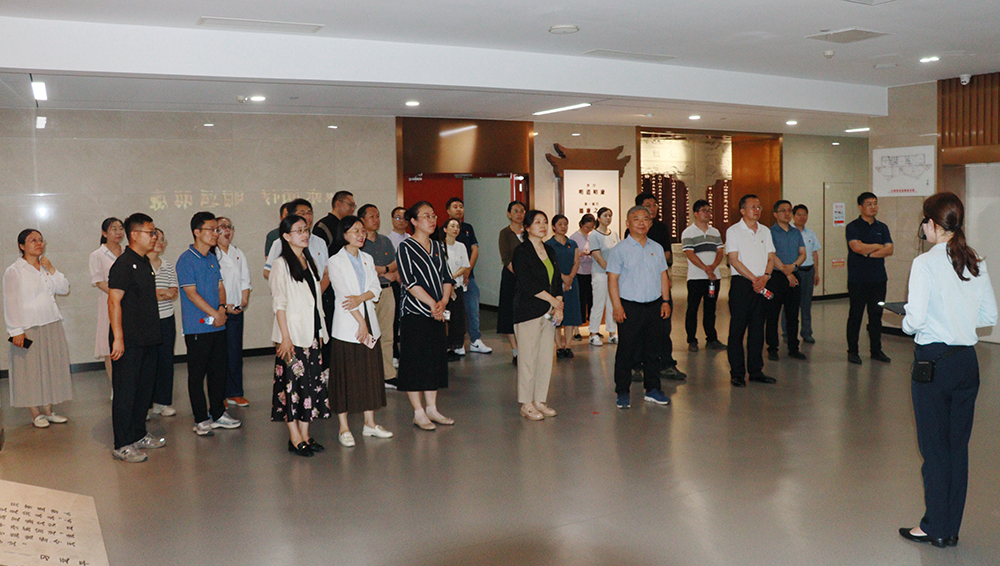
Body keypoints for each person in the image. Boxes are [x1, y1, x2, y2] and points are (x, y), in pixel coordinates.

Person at [898, 192, 997, 548]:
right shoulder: (975, 260)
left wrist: (905, 319)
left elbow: (914, 321)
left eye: (924, 221)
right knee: (957, 448)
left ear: (932, 224)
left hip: (934, 363)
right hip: (966, 363)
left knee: (935, 450)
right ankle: (949, 527)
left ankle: (935, 527)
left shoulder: (925, 263)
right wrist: (958, 317)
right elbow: (989, 315)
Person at [269, 214, 331, 457]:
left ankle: (305, 434)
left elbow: (315, 301)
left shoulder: (307, 259)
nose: (304, 234)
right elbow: (279, 304)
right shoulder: (280, 264)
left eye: (306, 230)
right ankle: (294, 437)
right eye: (298, 230)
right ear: (286, 236)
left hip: (311, 333)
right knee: (292, 387)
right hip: (292, 336)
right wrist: (285, 338)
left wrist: (321, 330)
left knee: (310, 386)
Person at [328, 216, 392, 447]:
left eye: (362, 230)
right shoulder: (335, 261)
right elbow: (344, 296)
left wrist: (362, 298)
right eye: (355, 231)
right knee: (345, 375)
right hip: (348, 326)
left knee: (369, 373)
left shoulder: (367, 258)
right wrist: (361, 322)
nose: (360, 235)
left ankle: (370, 423)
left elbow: (375, 288)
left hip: (369, 320)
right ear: (344, 234)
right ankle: (344, 427)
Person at [177, 211, 241, 436]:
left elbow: (221, 287)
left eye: (218, 230)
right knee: (197, 374)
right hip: (198, 326)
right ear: (197, 232)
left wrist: (222, 309)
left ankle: (218, 413)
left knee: (218, 372)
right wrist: (214, 313)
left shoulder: (212, 258)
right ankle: (200, 419)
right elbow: (191, 293)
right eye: (212, 230)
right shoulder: (186, 260)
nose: (216, 233)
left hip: (218, 324)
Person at [107, 213, 165, 462]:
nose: (154, 237)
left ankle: (138, 434)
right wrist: (118, 338)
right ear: (134, 235)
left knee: (143, 391)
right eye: (150, 233)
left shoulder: (144, 262)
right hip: (129, 340)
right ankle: (122, 443)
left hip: (148, 338)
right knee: (126, 392)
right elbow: (113, 301)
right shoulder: (123, 264)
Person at [4, 229, 72, 429]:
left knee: (51, 367)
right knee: (30, 371)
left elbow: (64, 288)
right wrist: (16, 330)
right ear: (21, 246)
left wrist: (51, 268)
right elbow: (10, 302)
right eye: (32, 240)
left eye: (41, 240)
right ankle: (36, 413)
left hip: (51, 322)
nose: (38, 243)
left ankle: (49, 411)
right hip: (28, 326)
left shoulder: (45, 267)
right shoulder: (14, 271)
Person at [396, 201, 456, 431]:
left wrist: (443, 301)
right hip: (415, 312)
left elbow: (447, 277)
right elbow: (409, 281)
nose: (432, 220)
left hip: (437, 314)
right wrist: (432, 303)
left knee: (434, 360)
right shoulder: (405, 247)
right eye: (426, 216)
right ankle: (418, 412)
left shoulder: (438, 246)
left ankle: (432, 408)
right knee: (415, 362)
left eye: (433, 216)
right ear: (413, 221)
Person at [607, 206, 673, 408]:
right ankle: (622, 391)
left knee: (653, 350)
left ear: (650, 223)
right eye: (636, 219)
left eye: (645, 219)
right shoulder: (619, 250)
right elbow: (612, 280)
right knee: (626, 351)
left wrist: (665, 301)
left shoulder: (657, 248)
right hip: (629, 307)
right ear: (628, 223)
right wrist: (617, 307)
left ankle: (653, 389)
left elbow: (663, 275)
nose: (641, 223)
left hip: (654, 305)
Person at [513, 210, 563, 420]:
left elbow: (557, 279)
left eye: (545, 222)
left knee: (545, 358)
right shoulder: (521, 251)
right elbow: (527, 282)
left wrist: (558, 304)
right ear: (527, 227)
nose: (542, 226)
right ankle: (526, 403)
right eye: (537, 222)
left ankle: (540, 400)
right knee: (528, 359)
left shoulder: (549, 249)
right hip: (528, 310)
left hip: (549, 311)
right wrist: (553, 301)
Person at [726, 194, 777, 387]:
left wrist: (765, 276)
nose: (757, 210)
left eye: (759, 207)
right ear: (742, 210)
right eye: (753, 207)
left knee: (757, 330)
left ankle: (756, 371)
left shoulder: (765, 231)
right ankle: (737, 373)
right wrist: (754, 279)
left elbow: (771, 257)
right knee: (737, 330)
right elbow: (734, 260)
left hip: (762, 283)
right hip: (742, 284)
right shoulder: (734, 231)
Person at [846, 191, 893, 365]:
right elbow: (856, 248)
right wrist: (877, 246)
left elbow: (890, 249)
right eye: (869, 204)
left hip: (878, 279)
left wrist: (869, 252)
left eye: (875, 203)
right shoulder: (853, 227)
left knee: (876, 315)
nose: (873, 207)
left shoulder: (882, 227)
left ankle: (876, 350)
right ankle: (853, 351)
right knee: (856, 315)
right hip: (858, 279)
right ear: (860, 207)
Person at [443, 197, 492, 355]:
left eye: (461, 206)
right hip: (449, 282)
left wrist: (467, 270)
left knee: (472, 309)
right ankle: (454, 344)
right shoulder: (442, 231)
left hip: (467, 277)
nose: (459, 209)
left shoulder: (468, 228)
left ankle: (475, 340)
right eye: (455, 206)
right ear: (448, 211)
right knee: (452, 313)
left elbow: (474, 250)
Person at [358, 204, 400, 380]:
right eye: (371, 217)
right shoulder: (359, 243)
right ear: (362, 220)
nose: (376, 220)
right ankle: (367, 374)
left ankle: (388, 374)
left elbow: (396, 263)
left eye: (377, 216)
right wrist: (383, 271)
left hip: (387, 291)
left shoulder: (385, 241)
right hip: (367, 294)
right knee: (367, 335)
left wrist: (383, 270)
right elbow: (363, 268)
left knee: (387, 334)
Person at [215, 217, 252, 408]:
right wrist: (224, 305)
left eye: (229, 227)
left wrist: (243, 300)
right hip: (219, 311)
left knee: (235, 353)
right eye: (222, 227)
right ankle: (219, 394)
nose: (227, 231)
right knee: (219, 354)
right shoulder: (212, 254)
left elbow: (245, 280)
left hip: (236, 311)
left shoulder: (238, 253)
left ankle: (235, 393)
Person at [765, 200, 806, 361]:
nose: (787, 213)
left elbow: (803, 254)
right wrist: (786, 272)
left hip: (794, 275)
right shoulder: (769, 232)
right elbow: (771, 255)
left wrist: (794, 266)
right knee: (772, 314)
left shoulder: (796, 232)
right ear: (775, 214)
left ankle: (793, 348)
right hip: (776, 277)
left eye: (789, 210)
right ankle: (772, 348)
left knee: (793, 314)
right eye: (783, 211)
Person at [681, 200, 725, 352]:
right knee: (692, 309)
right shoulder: (688, 232)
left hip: (713, 278)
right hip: (696, 278)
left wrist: (712, 268)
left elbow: (720, 252)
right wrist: (705, 268)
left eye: (709, 211)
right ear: (696, 213)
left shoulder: (715, 232)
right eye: (704, 210)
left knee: (710, 309)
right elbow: (690, 253)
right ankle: (692, 340)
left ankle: (711, 339)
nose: (707, 213)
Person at [148, 228, 178, 418]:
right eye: (156, 238)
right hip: (148, 320)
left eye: (163, 239)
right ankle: (146, 405)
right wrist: (160, 294)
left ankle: (163, 402)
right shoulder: (141, 265)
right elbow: (145, 294)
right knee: (148, 363)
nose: (160, 242)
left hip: (167, 317)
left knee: (166, 361)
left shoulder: (167, 265)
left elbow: (173, 291)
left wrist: (161, 294)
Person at [90, 217, 124, 384]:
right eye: (113, 229)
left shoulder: (128, 252)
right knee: (110, 347)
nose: (118, 232)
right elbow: (99, 281)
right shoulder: (97, 255)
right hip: (109, 303)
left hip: (130, 303)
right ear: (104, 233)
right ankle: (115, 387)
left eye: (120, 228)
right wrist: (119, 293)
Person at [545, 214, 581, 359]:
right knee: (557, 313)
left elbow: (576, 262)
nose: (563, 227)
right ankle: (559, 346)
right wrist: (563, 277)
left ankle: (568, 346)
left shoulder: (572, 243)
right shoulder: (548, 244)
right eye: (560, 224)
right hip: (555, 282)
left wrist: (570, 278)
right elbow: (550, 264)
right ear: (553, 227)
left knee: (571, 314)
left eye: (565, 224)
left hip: (572, 282)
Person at [498, 201, 526, 363]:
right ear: (509, 214)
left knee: (525, 313)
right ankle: (516, 351)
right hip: (511, 277)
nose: (519, 214)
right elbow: (506, 258)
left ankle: (525, 349)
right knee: (509, 313)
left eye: (522, 211)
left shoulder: (529, 231)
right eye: (515, 211)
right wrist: (520, 274)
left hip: (528, 279)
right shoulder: (505, 233)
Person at [588, 207, 620, 346]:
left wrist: (615, 271)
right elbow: (597, 256)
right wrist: (610, 270)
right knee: (599, 303)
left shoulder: (614, 234)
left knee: (612, 303)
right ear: (599, 218)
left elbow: (619, 253)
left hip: (613, 275)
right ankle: (593, 333)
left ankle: (612, 332)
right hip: (600, 274)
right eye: (605, 215)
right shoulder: (594, 235)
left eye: (610, 215)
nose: (608, 218)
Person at [789, 204, 821, 344]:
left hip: (809, 271)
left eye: (805, 214)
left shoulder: (811, 233)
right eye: (799, 214)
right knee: (791, 304)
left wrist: (816, 272)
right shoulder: (790, 232)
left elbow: (815, 253)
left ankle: (807, 333)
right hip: (795, 272)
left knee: (806, 304)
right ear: (793, 216)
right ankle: (788, 332)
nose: (802, 217)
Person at [441, 217, 471, 359]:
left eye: (457, 226)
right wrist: (448, 281)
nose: (455, 229)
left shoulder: (461, 246)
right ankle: (444, 346)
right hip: (443, 288)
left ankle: (457, 345)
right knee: (444, 317)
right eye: (452, 226)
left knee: (457, 317)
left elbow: (465, 265)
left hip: (457, 285)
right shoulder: (439, 246)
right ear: (445, 229)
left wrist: (453, 277)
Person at [388, 206, 410, 376]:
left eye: (404, 217)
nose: (401, 221)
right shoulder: (387, 240)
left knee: (409, 319)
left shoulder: (412, 239)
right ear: (392, 219)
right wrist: (396, 275)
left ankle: (409, 351)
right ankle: (394, 352)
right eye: (397, 217)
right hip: (395, 283)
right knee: (394, 319)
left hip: (412, 285)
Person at [569, 214, 596, 341]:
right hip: (579, 273)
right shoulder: (574, 237)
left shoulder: (593, 236)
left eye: (591, 228)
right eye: (586, 227)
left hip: (592, 272)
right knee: (579, 301)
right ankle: (576, 330)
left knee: (592, 301)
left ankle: (593, 330)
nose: (588, 230)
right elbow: (571, 256)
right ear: (581, 225)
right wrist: (580, 254)